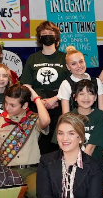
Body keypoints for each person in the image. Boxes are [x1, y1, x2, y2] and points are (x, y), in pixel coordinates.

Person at [0, 83, 50, 198]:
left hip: (31, 171)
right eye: (6, 103)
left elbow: (46, 121)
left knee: (37, 192)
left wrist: (35, 97)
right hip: (7, 172)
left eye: (12, 105)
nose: (7, 107)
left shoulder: (33, 120)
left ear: (25, 105)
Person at [21, 21, 69, 155]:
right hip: (37, 105)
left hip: (61, 104)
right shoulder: (32, 58)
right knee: (40, 145)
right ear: (39, 38)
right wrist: (38, 101)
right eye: (44, 33)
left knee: (59, 143)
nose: (47, 35)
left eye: (50, 33)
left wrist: (55, 99)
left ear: (57, 37)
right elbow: (26, 85)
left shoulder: (65, 58)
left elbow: (73, 82)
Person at [52, 79, 103, 163]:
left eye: (90, 93)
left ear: (95, 97)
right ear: (75, 97)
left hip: (93, 166)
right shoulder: (67, 118)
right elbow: (62, 145)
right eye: (81, 94)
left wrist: (77, 167)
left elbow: (91, 147)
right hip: (69, 164)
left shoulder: (101, 116)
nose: (86, 98)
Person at [57, 46, 103, 114]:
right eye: (73, 64)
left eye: (81, 61)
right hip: (75, 122)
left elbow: (102, 109)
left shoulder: (97, 81)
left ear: (85, 62)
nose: (79, 66)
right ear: (68, 67)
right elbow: (66, 114)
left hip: (95, 122)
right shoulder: (66, 84)